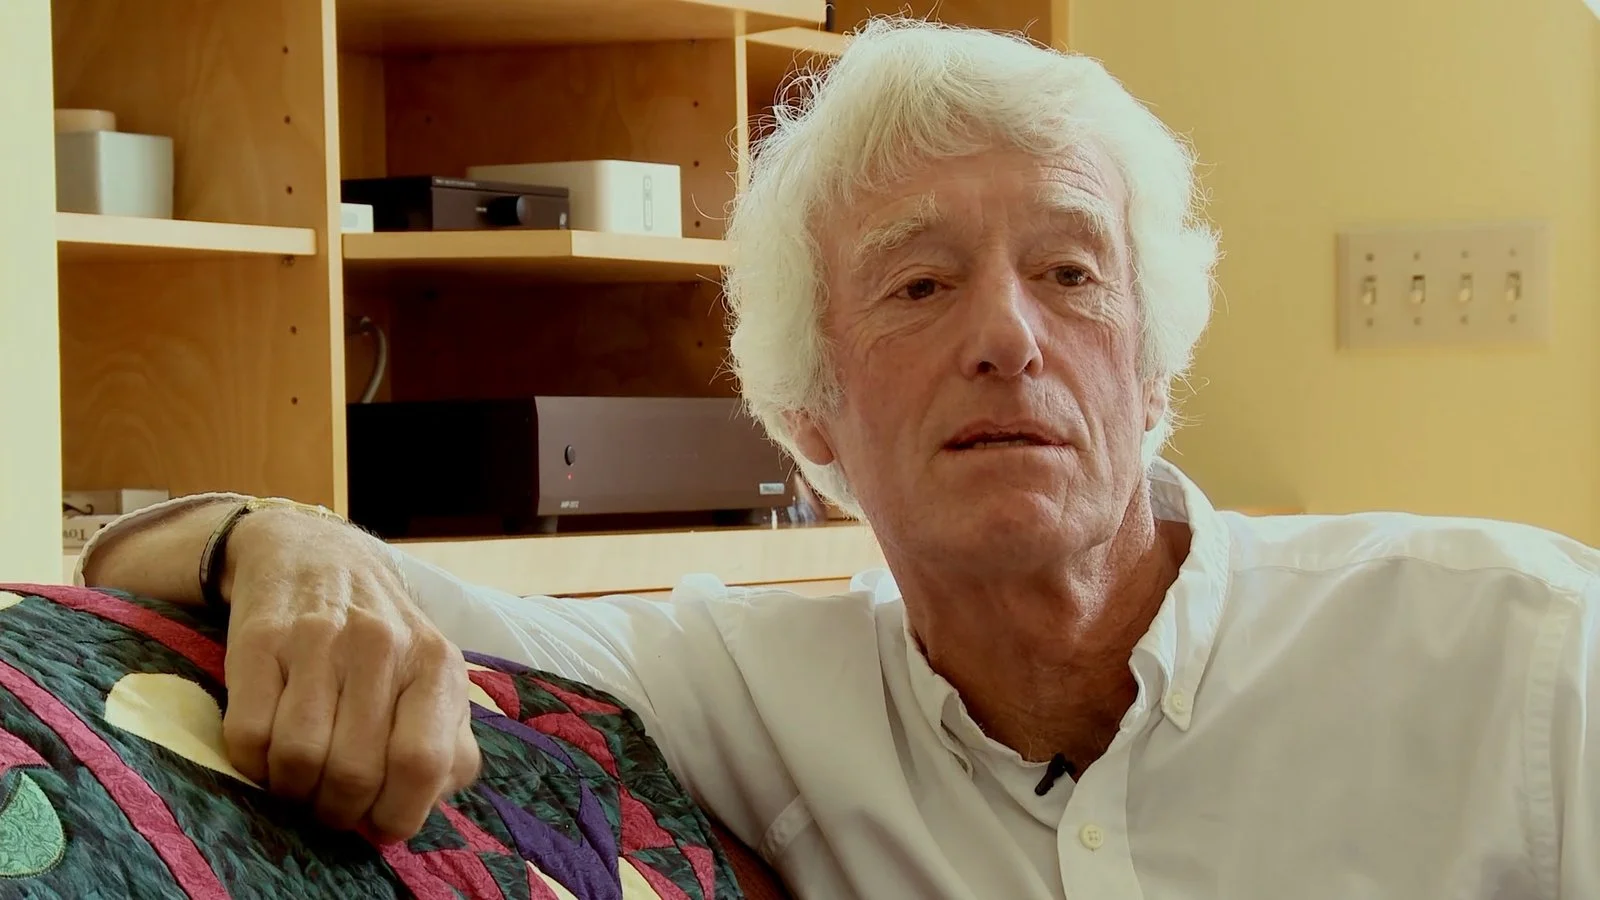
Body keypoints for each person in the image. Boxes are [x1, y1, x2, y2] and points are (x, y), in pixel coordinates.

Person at [77, 17, 1599, 900]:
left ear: (1154, 371)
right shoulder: (745, 692)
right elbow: (148, 568)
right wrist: (283, 543)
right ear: (810, 423)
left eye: (1071, 274)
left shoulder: (1525, 655)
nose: (1007, 337)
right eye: (920, 286)